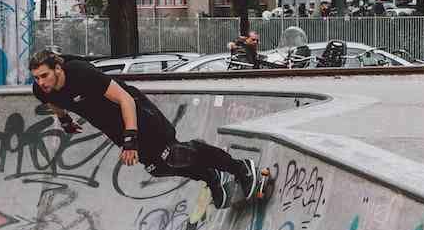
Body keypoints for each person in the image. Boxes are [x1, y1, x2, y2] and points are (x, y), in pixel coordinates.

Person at [29, 50, 257, 207]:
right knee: (158, 168)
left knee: (176, 154)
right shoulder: (42, 90)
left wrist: (131, 140)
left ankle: (240, 168)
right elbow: (54, 103)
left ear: (58, 69)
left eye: (45, 76)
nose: (41, 82)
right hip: (114, 128)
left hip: (138, 114)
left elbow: (125, 99)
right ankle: (210, 175)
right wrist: (65, 120)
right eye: (37, 78)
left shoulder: (81, 73)